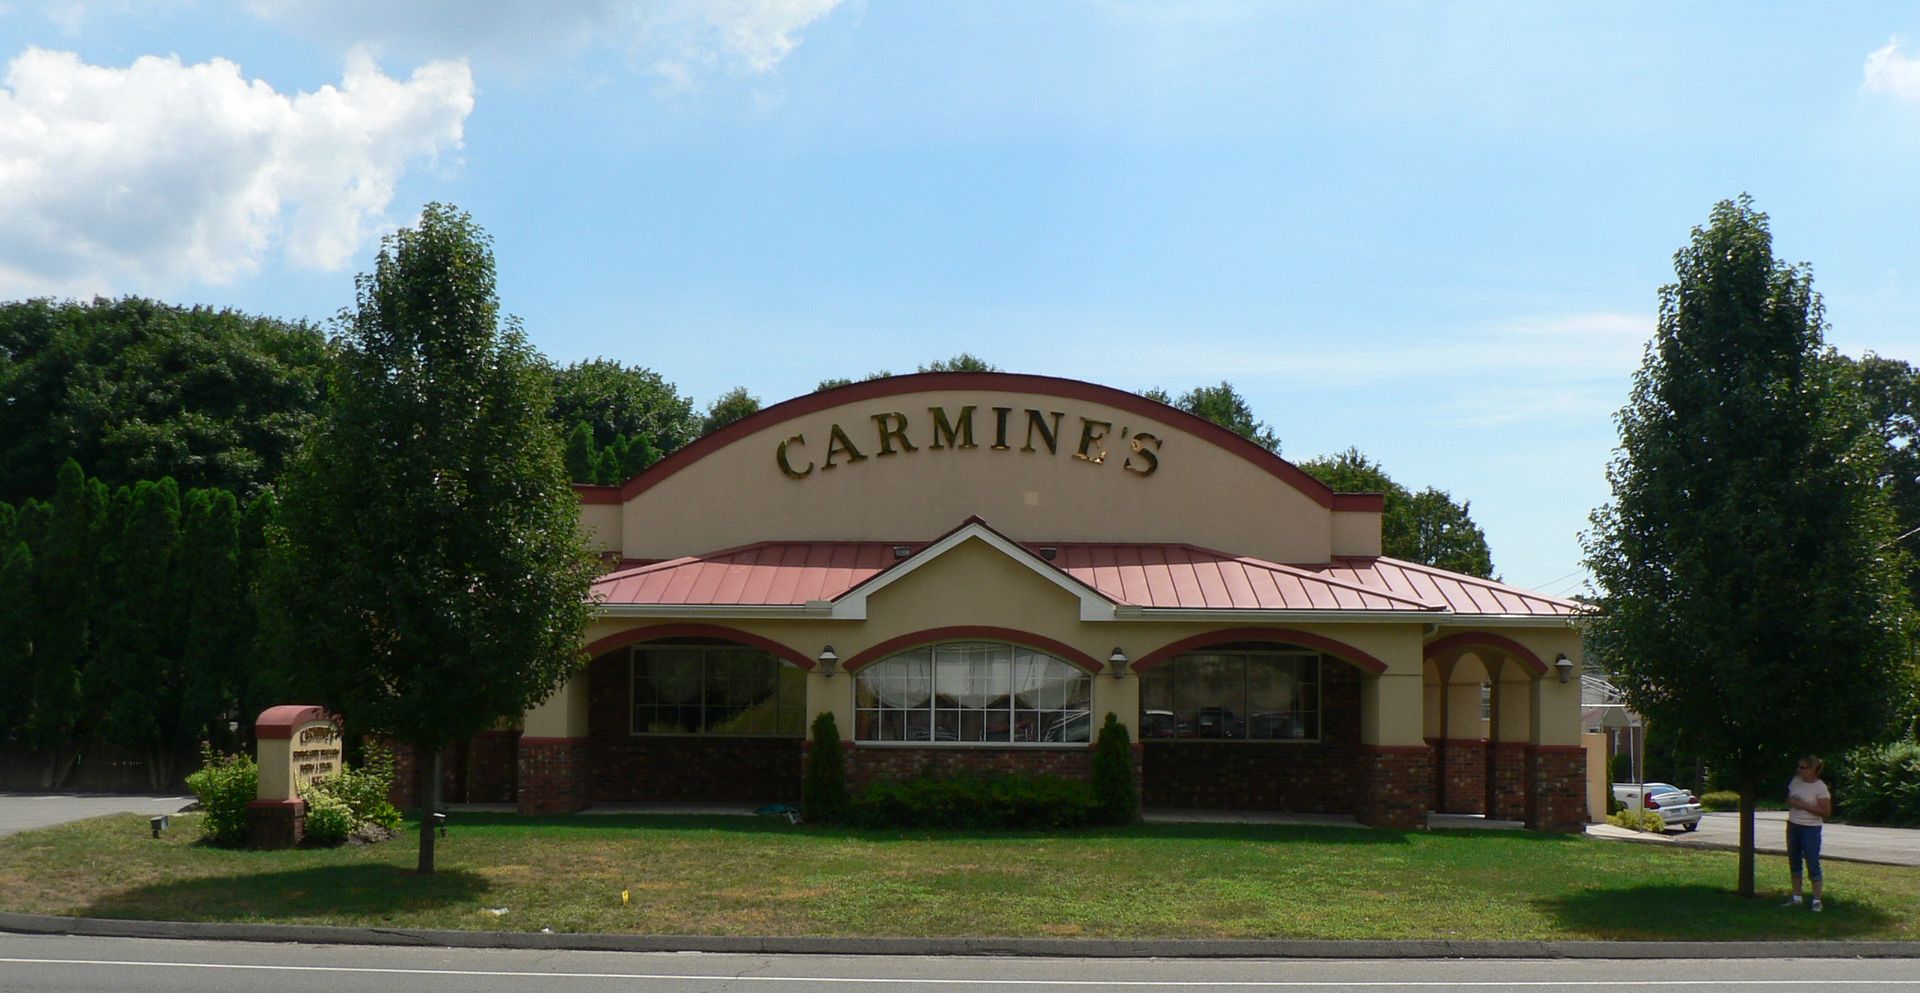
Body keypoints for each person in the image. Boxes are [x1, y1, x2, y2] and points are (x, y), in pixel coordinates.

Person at [1783, 754, 1833, 912]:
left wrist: (1803, 805)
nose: (1799, 770)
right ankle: (1796, 897)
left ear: (1813, 769)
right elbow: (1789, 798)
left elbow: (1825, 812)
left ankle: (1817, 900)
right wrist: (1792, 802)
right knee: (1794, 860)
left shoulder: (1820, 787)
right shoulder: (1796, 781)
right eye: (1798, 767)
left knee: (1812, 861)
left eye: (1803, 767)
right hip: (1793, 825)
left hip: (1810, 828)